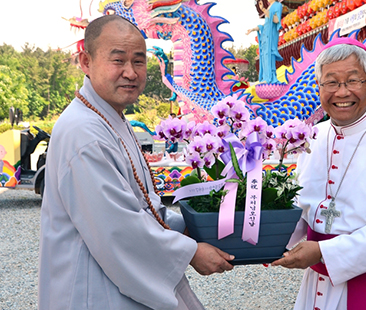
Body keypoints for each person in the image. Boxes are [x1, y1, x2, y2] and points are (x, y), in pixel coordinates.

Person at [38, 15, 234, 310]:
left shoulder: (109, 116)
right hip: (94, 290)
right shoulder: (84, 132)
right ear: (86, 62)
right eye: (118, 60)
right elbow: (118, 229)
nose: (130, 72)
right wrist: (190, 251)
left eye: (139, 61)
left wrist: (194, 225)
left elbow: (141, 205)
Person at [272, 37, 366, 310]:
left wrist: (322, 251)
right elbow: (299, 209)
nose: (342, 93)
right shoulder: (313, 137)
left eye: (353, 80)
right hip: (317, 282)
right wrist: (263, 238)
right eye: (331, 82)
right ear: (319, 87)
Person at [245, 0, 283, 83]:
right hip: (265, 35)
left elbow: (276, 20)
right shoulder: (269, 7)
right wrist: (253, 29)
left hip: (271, 34)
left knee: (270, 54)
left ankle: (271, 77)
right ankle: (266, 77)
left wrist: (264, 10)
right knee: (265, 55)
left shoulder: (278, 5)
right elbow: (266, 24)